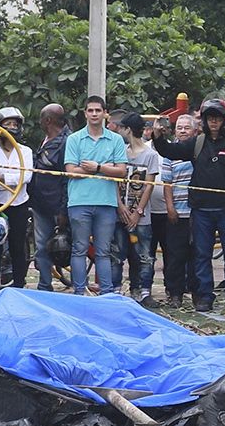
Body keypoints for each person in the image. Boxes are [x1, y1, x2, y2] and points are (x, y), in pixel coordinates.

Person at [155, 98, 225, 311]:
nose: (214, 122)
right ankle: (205, 296)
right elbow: (170, 151)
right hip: (200, 211)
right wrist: (158, 136)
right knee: (201, 255)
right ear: (205, 121)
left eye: (217, 118)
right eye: (210, 118)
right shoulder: (196, 143)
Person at [62, 95, 127, 295]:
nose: (94, 114)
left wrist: (95, 166)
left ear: (105, 113)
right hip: (79, 202)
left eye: (98, 110)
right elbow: (70, 170)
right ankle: (79, 292)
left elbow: (122, 171)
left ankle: (106, 293)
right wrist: (104, 168)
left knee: (103, 252)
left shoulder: (116, 139)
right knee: (79, 249)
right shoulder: (74, 139)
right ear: (85, 113)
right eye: (90, 110)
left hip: (106, 202)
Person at [113, 111, 159, 301]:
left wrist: (138, 211)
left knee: (144, 255)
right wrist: (119, 206)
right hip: (119, 213)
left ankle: (144, 290)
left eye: (122, 128)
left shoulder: (150, 155)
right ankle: (115, 289)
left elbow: (149, 185)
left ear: (128, 130)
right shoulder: (120, 152)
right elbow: (114, 180)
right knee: (117, 254)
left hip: (141, 216)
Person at [0, 107, 34, 288]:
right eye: (7, 124)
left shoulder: (25, 151)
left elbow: (26, 177)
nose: (11, 127)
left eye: (14, 124)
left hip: (19, 203)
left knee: (18, 246)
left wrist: (1, 177)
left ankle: (19, 284)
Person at [158, 114, 196, 307]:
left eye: (186, 128)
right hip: (177, 213)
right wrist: (170, 208)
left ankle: (198, 293)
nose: (182, 131)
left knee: (198, 255)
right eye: (179, 127)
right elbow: (167, 183)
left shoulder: (200, 149)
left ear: (194, 130)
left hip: (198, 213)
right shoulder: (170, 153)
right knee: (175, 256)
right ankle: (175, 294)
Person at [30, 104, 68, 289]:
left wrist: (63, 209)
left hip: (57, 205)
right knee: (41, 247)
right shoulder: (46, 140)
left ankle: (78, 286)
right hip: (40, 204)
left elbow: (67, 178)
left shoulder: (66, 142)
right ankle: (44, 285)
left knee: (65, 246)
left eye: (40, 119)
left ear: (48, 120)